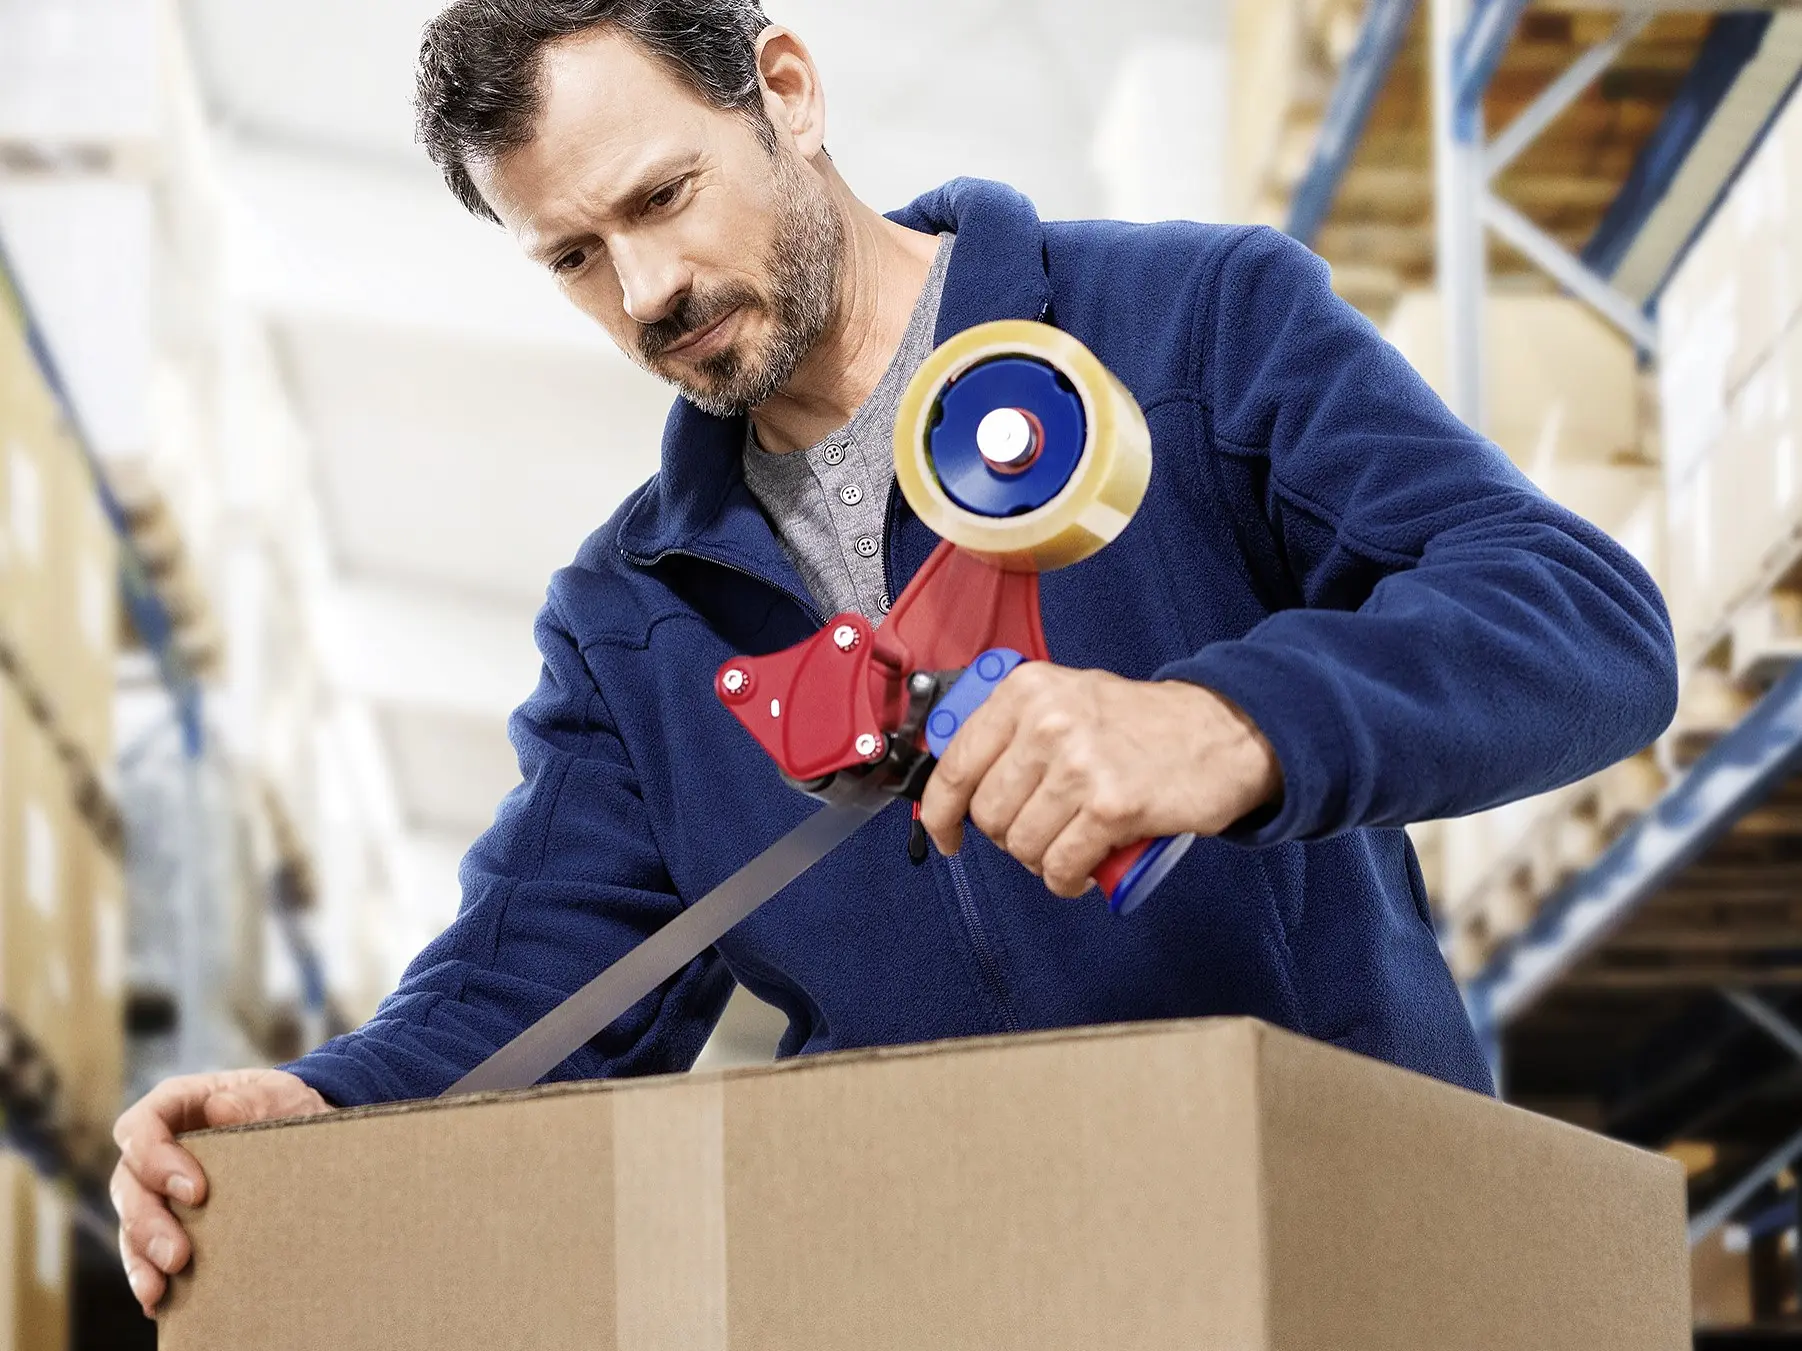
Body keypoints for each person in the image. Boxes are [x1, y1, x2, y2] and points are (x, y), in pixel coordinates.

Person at [111, 0, 1679, 1316]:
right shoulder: (631, 619)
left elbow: (1578, 618)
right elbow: (524, 997)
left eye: (660, 199)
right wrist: (314, 1112)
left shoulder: (1190, 324)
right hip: (938, 1293)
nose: (646, 293)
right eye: (574, 259)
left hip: (1328, 1263)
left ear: (784, 92)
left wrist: (1227, 721)